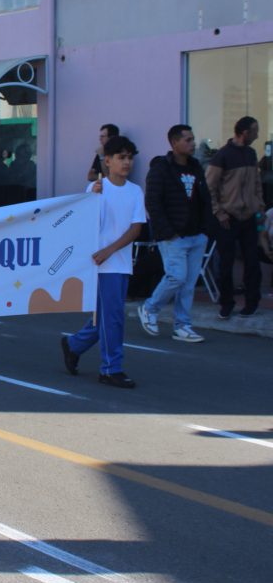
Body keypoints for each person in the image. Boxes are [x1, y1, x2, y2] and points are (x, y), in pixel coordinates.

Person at [60, 136, 146, 388]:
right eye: (121, 157)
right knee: (112, 317)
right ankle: (110, 368)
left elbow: (136, 228)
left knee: (107, 317)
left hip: (119, 262)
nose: (126, 162)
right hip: (100, 265)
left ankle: (73, 345)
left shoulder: (135, 191)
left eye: (129, 157)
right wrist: (93, 199)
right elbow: (85, 223)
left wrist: (110, 250)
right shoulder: (96, 188)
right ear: (107, 161)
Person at [138, 125, 212, 342]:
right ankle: (150, 308)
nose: (193, 143)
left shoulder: (195, 166)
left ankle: (182, 326)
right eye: (188, 140)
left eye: (193, 139)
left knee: (188, 284)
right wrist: (167, 232)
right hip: (173, 237)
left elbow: (204, 199)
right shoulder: (161, 168)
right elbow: (153, 202)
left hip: (197, 235)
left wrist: (206, 229)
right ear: (174, 143)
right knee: (176, 277)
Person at [206, 116, 265, 318]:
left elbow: (257, 183)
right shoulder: (223, 155)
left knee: (252, 262)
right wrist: (219, 212)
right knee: (226, 263)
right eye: (255, 131)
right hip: (228, 218)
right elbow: (209, 187)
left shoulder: (251, 153)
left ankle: (251, 303)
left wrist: (259, 207)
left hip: (249, 216)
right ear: (244, 132)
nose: (257, 135)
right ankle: (226, 303)